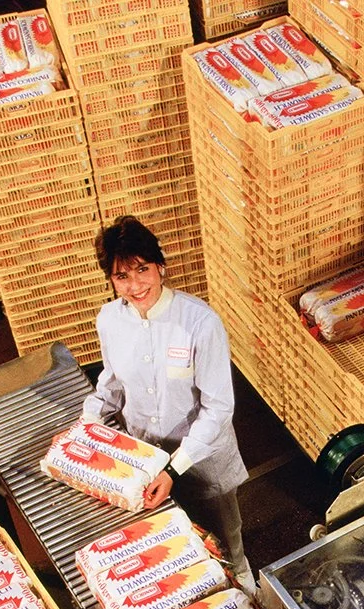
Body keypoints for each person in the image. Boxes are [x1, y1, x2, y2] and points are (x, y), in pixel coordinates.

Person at [82, 214, 253, 588]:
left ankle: (243, 584)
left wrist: (175, 469)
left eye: (141, 269)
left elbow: (219, 408)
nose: (134, 285)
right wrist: (84, 432)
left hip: (202, 462)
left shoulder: (199, 322)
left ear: (160, 266)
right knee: (171, 549)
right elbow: (110, 386)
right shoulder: (110, 320)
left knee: (226, 544)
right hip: (147, 459)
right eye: (121, 277)